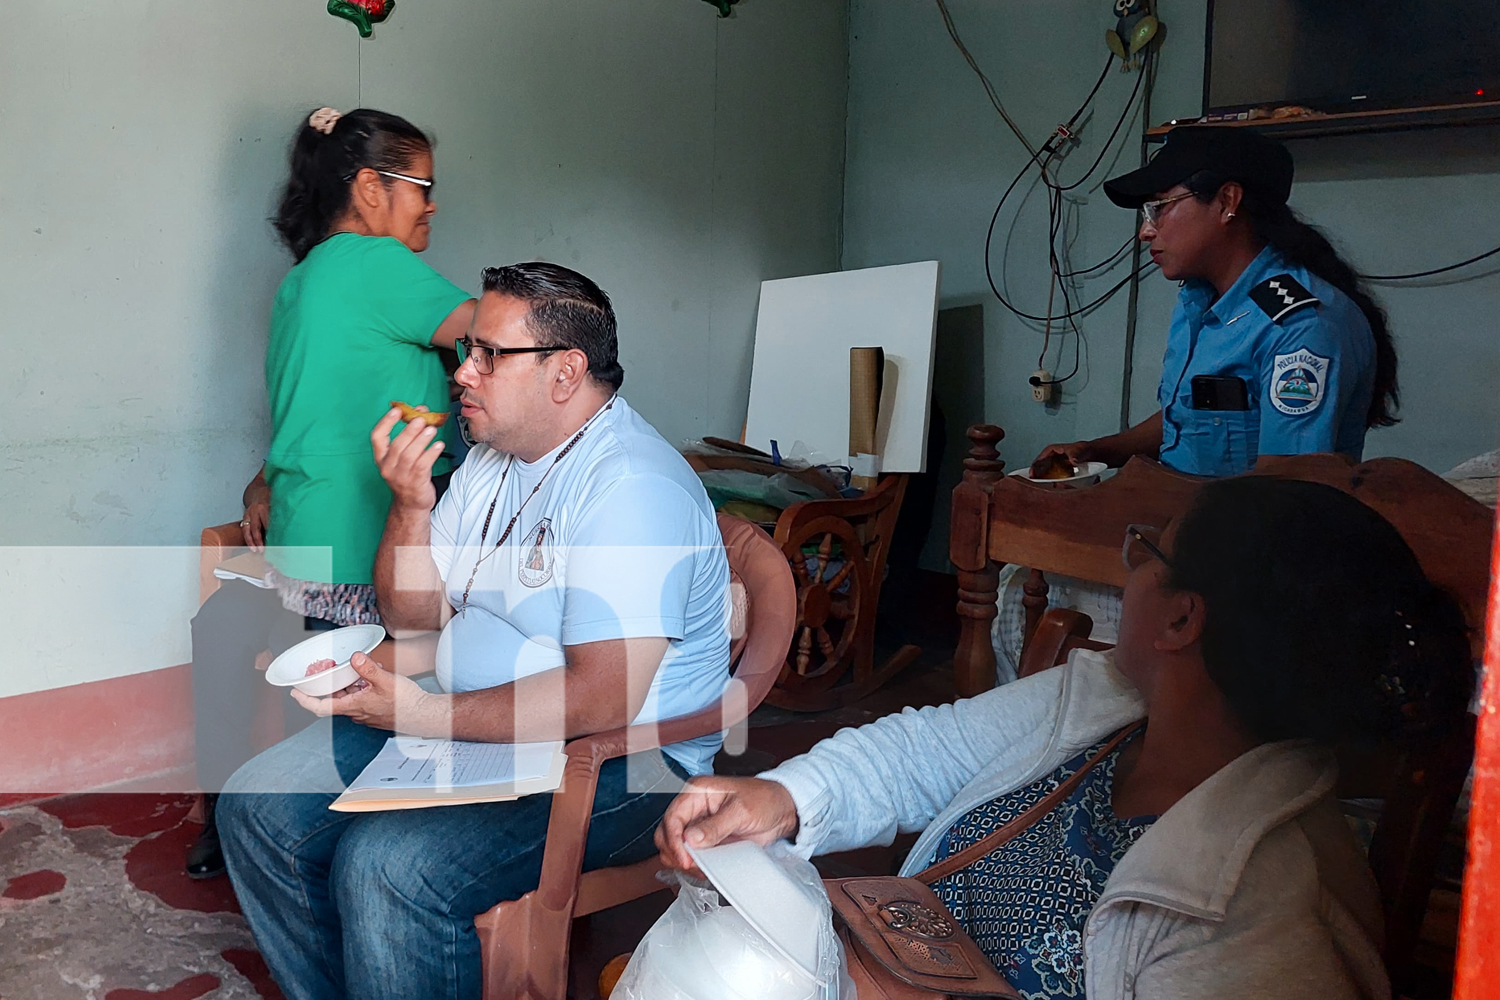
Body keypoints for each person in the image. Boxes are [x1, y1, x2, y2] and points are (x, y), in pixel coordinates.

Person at [657, 477, 1472, 1000]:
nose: (1131, 566)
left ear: (1183, 619)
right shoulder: (1108, 707)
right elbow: (928, 753)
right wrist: (785, 796)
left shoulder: (1267, 920)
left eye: (1148, 549)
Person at [216, 262, 732, 1000]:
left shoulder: (631, 487)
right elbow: (412, 616)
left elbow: (603, 697)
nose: (463, 373)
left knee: (388, 866)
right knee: (254, 805)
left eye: (490, 354)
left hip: (620, 762)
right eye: (470, 351)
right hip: (475, 723)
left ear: (565, 372)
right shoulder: (494, 462)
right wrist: (410, 506)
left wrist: (421, 714)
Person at [187, 106, 477, 878]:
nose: (432, 204)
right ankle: (344, 855)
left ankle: (261, 831)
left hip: (304, 537)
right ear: (370, 187)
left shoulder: (302, 279)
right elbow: (502, 333)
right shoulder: (378, 265)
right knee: (363, 711)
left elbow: (306, 413)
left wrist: (260, 480)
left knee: (317, 701)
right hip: (362, 547)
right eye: (422, 186)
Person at [1037, 126, 1398, 479]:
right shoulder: (1199, 298)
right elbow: (1192, 416)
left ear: (1227, 202)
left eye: (1158, 208)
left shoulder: (1300, 325)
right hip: (1182, 521)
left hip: (1252, 533)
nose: (1146, 231)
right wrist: (1099, 451)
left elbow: (1285, 486)